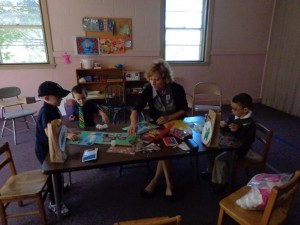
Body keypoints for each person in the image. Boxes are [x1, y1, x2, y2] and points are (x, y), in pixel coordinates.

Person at [128, 59, 189, 200]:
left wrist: (169, 118)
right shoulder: (149, 89)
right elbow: (136, 109)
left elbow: (184, 110)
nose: (153, 83)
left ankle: (159, 183)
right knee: (163, 150)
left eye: (156, 79)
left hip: (176, 124)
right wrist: (133, 123)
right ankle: (166, 184)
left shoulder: (177, 88)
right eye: (150, 79)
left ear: (165, 78)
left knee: (163, 151)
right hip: (158, 126)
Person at [35, 81, 78, 216]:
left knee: (59, 173)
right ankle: (54, 203)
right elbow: (51, 133)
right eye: (58, 97)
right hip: (46, 150)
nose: (61, 99)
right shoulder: (45, 112)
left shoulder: (53, 107)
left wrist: (69, 130)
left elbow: (59, 126)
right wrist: (67, 135)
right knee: (53, 176)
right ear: (46, 98)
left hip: (54, 147)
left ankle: (59, 188)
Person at [202, 93, 256, 193]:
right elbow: (228, 131)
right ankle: (210, 171)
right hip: (228, 144)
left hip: (239, 150)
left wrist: (238, 130)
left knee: (220, 159)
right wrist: (224, 126)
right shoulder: (233, 116)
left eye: (235, 109)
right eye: (232, 108)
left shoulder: (250, 123)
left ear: (245, 110)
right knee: (210, 148)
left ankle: (220, 183)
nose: (232, 111)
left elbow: (247, 140)